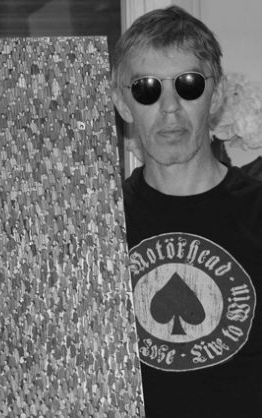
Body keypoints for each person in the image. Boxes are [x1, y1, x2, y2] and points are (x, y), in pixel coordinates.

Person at [112, 6, 262, 417]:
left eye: (189, 84)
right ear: (123, 103)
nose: (170, 107)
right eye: (146, 88)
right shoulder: (98, 226)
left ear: (217, 94)